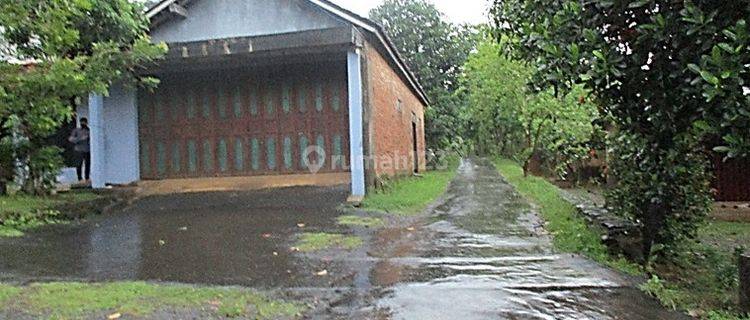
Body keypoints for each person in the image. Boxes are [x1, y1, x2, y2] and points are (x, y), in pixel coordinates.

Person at [68, 117, 91, 182]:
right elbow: (70, 139)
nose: (83, 123)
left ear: (87, 123)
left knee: (87, 164)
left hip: (87, 150)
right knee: (79, 164)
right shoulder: (76, 130)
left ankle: (87, 178)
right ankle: (80, 178)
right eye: (82, 122)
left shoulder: (89, 130)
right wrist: (80, 138)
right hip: (78, 150)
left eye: (84, 122)